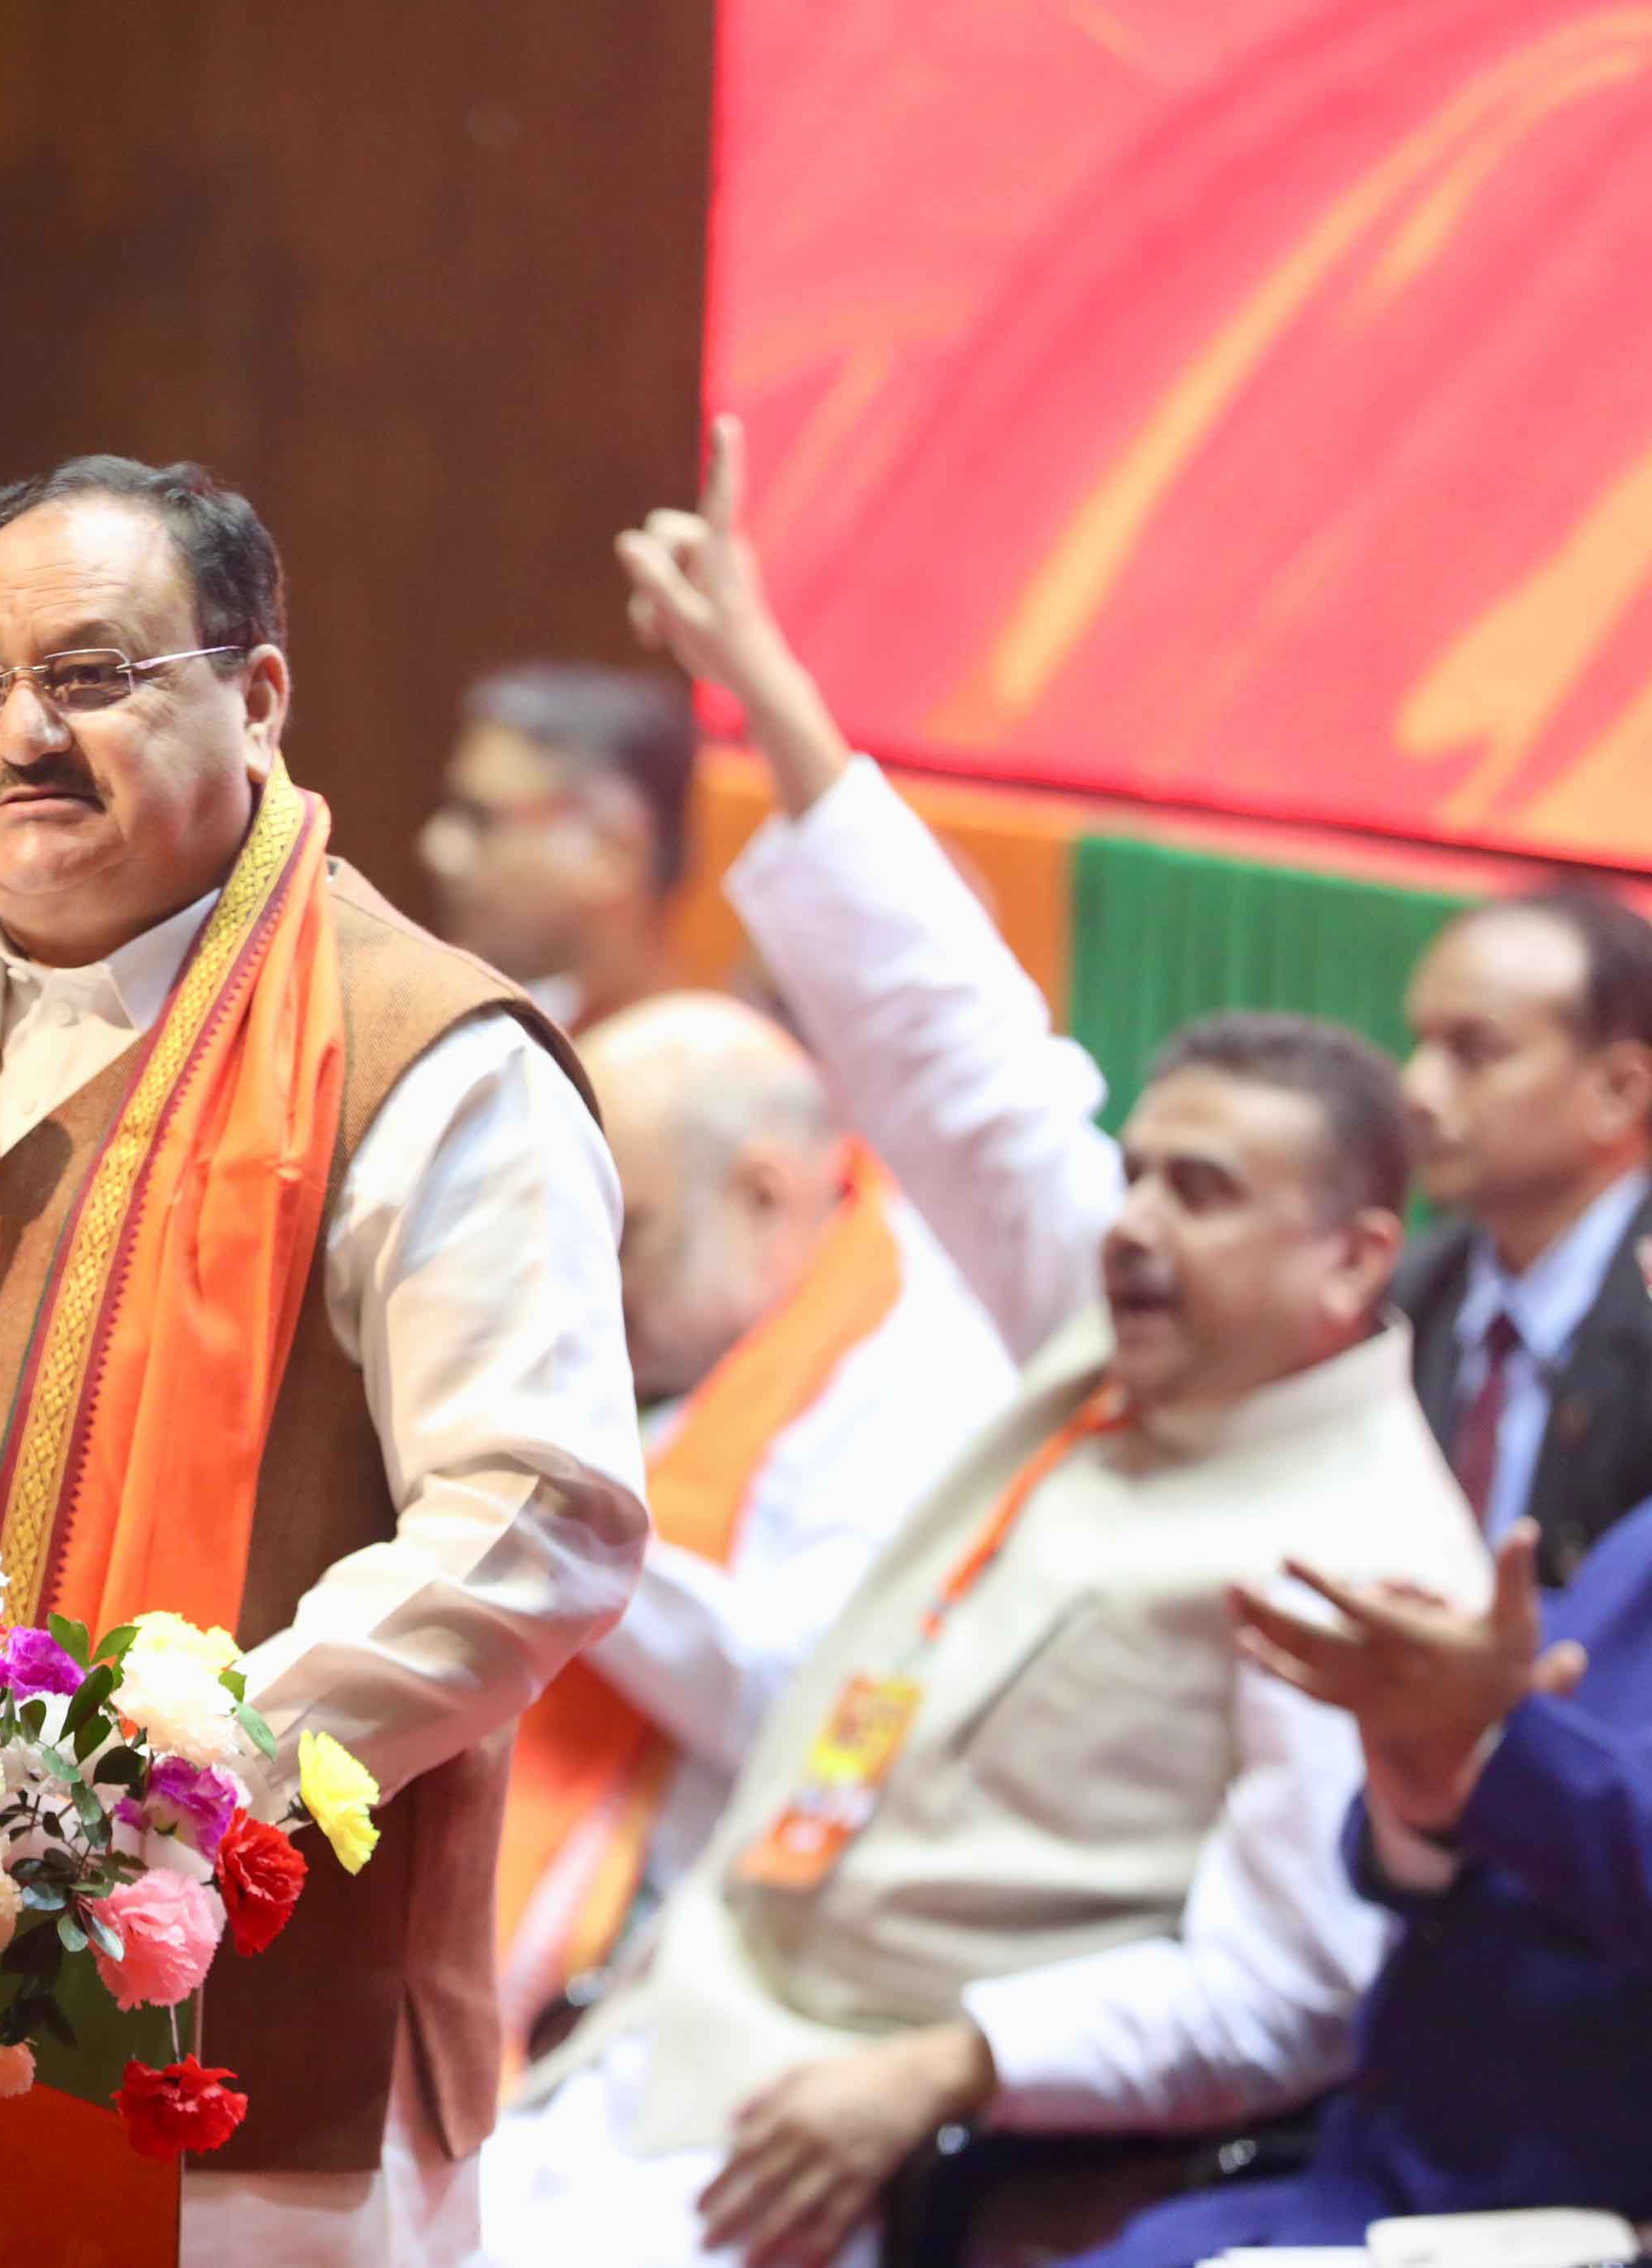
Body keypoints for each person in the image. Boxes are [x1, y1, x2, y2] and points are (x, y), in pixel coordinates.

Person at [477, 419, 1493, 2268]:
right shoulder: (1107, 1324)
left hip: (867, 2144)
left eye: (1200, 1192)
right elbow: (955, 1048)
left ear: (1356, 1256)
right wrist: (770, 696)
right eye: (1142, 1179)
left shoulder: (1366, 1547)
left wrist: (954, 2061)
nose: (1133, 1221)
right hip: (667, 2031)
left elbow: (1287, 1989)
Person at [0, 455, 651, 2263]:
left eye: (91, 675)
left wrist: (149, 1790)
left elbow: (536, 1523)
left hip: (240, 2089)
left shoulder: (431, 1062)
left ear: (258, 694)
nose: (19, 733)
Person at [499, 993, 1014, 2061]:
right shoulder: (736, 1318)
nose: (585, 1279)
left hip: (731, 1977)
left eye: (623, 1232)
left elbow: (796, 1700)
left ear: (765, 1195)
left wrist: (535, 1500)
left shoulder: (924, 1372)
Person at [1050, 1508, 1652, 2264]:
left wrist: (1513, 1761)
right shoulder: (1638, 1540)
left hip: (1564, 2216)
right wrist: (1430, 1801)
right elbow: (1494, 1851)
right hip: (1369, 2185)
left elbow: (1546, 1777)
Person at [1394, 884, 1652, 1579]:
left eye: (1474, 1052)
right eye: (1419, 1044)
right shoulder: (1399, 1298)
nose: (1416, 1088)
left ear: (1618, 1093)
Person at [420, 662, 697, 1030]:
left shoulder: (692, 1074)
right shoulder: (526, 1041)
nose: (436, 849)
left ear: (613, 851)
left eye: (481, 819)